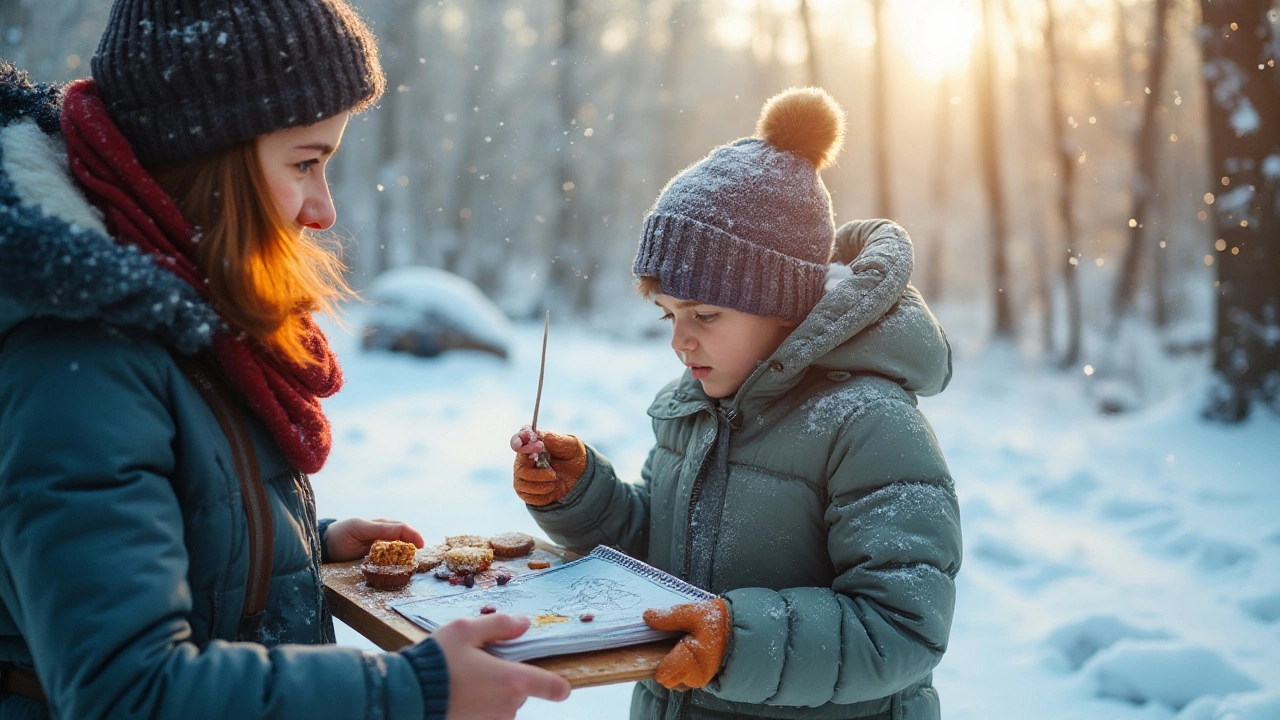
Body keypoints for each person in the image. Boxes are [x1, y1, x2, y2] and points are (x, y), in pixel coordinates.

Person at [0, 1, 570, 718]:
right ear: (210, 157)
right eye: (306, 162)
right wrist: (412, 692)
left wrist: (305, 547)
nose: (323, 210)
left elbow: (167, 524)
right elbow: (127, 690)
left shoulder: (177, 303)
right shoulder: (79, 357)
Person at [511, 87, 961, 720]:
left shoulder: (867, 425)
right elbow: (663, 561)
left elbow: (902, 626)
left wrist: (735, 639)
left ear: (786, 305)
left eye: (705, 314)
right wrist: (583, 496)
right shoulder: (691, 407)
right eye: (668, 314)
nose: (679, 340)